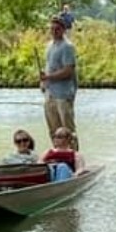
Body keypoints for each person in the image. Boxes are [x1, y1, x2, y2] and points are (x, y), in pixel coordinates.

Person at [40, 15, 79, 148]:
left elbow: (68, 71)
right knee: (53, 130)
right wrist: (43, 82)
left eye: (57, 29)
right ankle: (57, 155)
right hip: (50, 93)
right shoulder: (49, 45)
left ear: (63, 30)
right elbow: (49, 67)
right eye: (51, 29)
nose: (53, 31)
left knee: (67, 130)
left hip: (63, 94)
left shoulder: (67, 47)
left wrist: (49, 77)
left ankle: (74, 157)